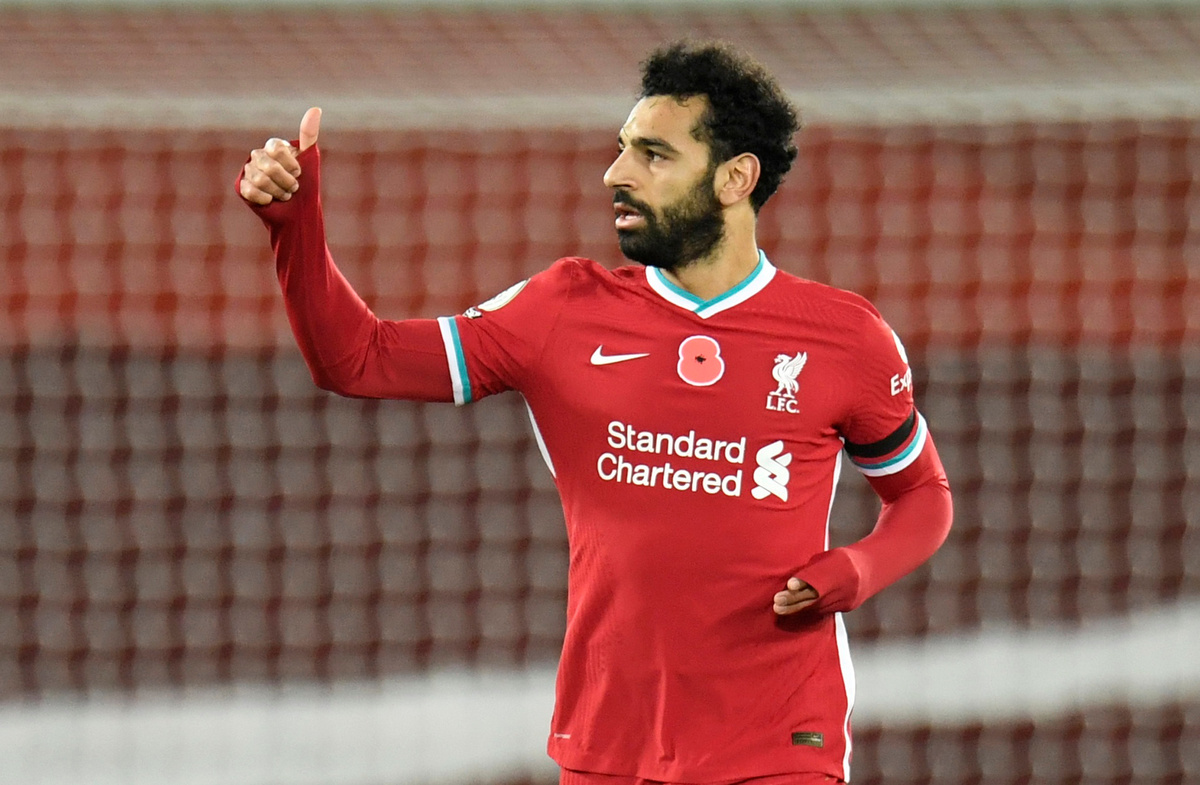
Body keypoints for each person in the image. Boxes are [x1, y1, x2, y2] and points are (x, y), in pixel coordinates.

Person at [238, 40, 952, 785]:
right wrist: (294, 228)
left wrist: (858, 569)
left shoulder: (845, 338)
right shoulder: (563, 309)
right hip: (609, 744)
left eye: (653, 155)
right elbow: (357, 359)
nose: (616, 174)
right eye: (622, 149)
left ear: (735, 178)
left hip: (779, 744)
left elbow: (923, 494)